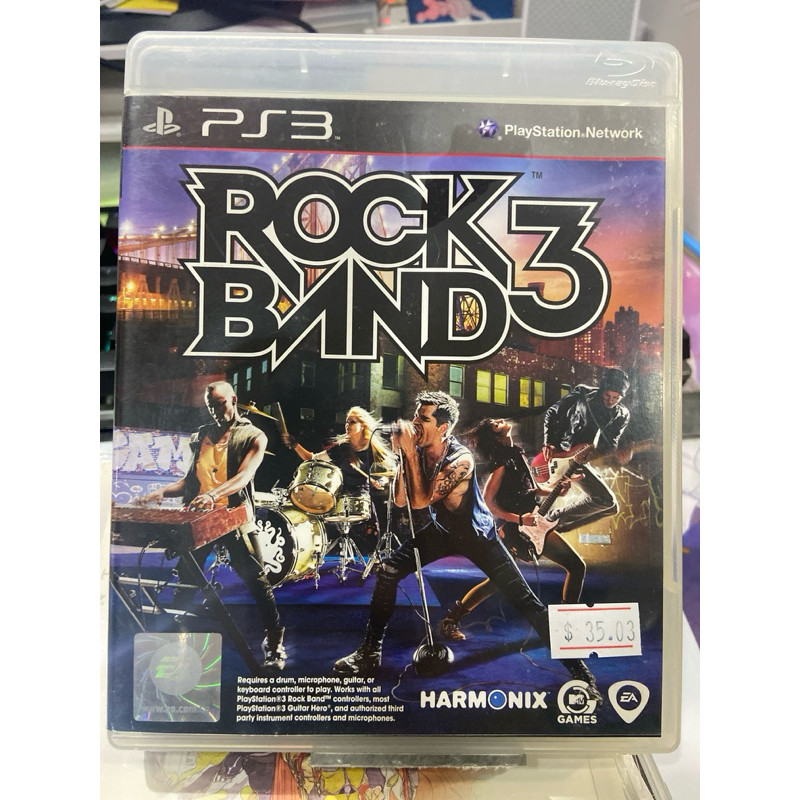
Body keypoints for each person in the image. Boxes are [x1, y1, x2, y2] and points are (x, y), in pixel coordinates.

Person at [332, 390, 601, 701]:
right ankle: (369, 652)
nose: (415, 422)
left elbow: (420, 501)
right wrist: (405, 456)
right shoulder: (418, 451)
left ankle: (582, 674)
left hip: (478, 535)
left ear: (443, 427)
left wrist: (408, 454)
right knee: (389, 569)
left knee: (527, 602)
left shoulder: (460, 460)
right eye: (417, 415)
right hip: (442, 531)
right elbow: (402, 500)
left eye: (424, 418)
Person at [139, 381, 287, 670]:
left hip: (233, 518)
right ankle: (179, 642)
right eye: (211, 406)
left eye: (220, 404)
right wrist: (162, 492)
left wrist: (212, 495)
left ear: (234, 400)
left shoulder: (254, 435)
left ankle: (274, 641)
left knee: (257, 582)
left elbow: (244, 477)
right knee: (186, 577)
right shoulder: (201, 436)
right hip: (201, 520)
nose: (216, 411)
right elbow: (190, 482)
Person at [438, 417, 585, 641]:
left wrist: (558, 489)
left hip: (534, 523)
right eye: (496, 424)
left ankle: (565, 623)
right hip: (514, 528)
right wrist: (519, 519)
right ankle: (450, 621)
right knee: (498, 581)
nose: (501, 420)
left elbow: (532, 489)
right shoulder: (500, 463)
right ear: (496, 437)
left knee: (575, 566)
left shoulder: (518, 454)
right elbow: (488, 502)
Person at [283, 407, 393, 549]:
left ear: (362, 425)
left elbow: (389, 471)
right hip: (340, 495)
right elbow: (312, 458)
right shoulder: (341, 448)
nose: (347, 425)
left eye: (352, 422)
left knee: (372, 538)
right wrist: (295, 445)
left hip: (362, 496)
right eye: (347, 422)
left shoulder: (372, 447)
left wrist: (382, 481)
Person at [540, 367, 631, 533]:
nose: (611, 401)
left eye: (616, 398)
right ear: (602, 390)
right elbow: (553, 413)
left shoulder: (622, 414)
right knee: (606, 501)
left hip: (583, 459)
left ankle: (556, 527)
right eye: (607, 395)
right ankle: (553, 518)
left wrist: (617, 454)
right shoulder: (583, 393)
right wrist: (549, 442)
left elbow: (610, 444)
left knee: (612, 508)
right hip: (565, 452)